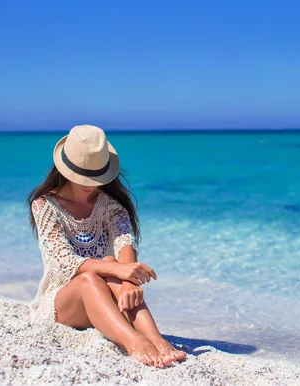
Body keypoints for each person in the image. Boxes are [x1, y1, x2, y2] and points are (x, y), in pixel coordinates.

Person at [27, 124, 186, 368]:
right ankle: (134, 341)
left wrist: (128, 279)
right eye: (85, 175)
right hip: (62, 303)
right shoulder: (45, 205)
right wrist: (117, 271)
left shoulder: (111, 205)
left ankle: (155, 338)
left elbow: (124, 241)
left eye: (96, 175)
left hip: (107, 303)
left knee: (111, 264)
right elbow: (64, 261)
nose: (90, 183)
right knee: (93, 276)